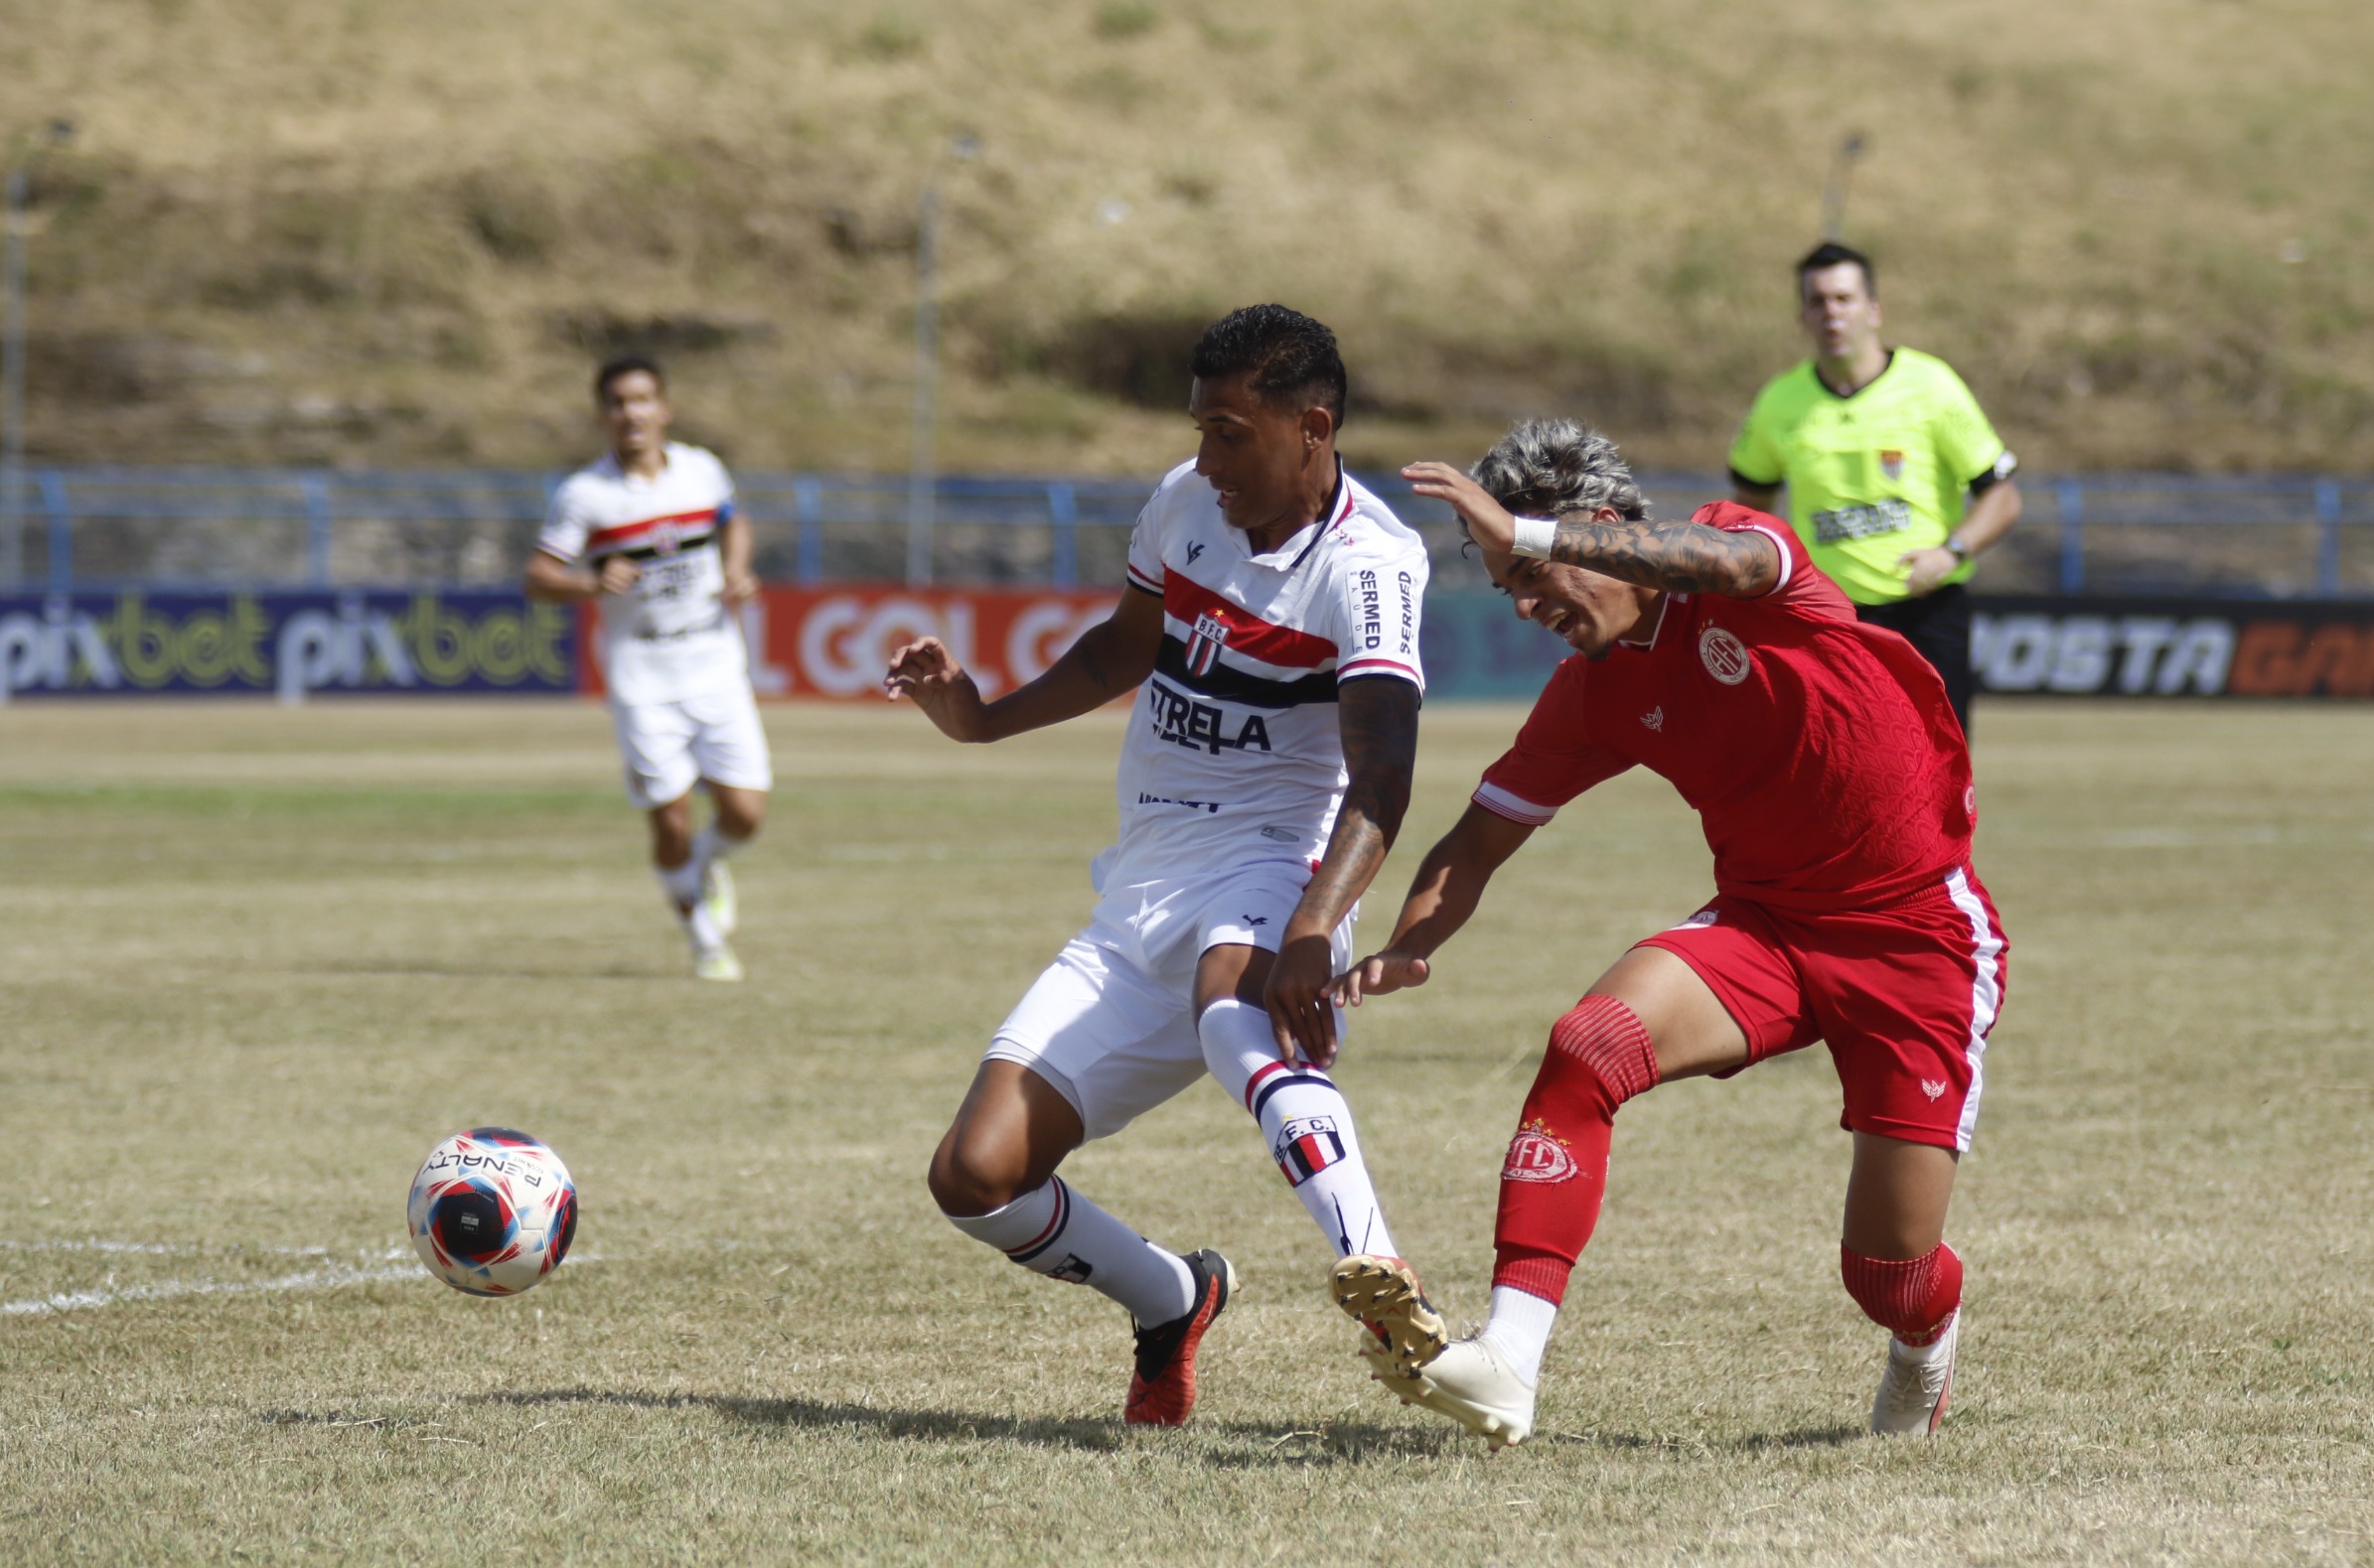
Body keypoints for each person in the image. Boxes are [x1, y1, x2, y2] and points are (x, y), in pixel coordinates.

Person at [1327, 419, 2007, 1447]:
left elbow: (1730, 556)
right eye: (1510, 581)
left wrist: (1529, 530)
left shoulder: (1740, 565)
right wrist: (1406, 941)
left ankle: (1925, 1334)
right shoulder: (1593, 694)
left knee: (1886, 1273)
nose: (1524, 603)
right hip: (1766, 927)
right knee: (1586, 1045)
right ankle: (1508, 1357)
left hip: (1915, 938)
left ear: (1597, 530)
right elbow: (1476, 840)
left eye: (1532, 570)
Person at [884, 305, 1435, 1426]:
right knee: (975, 1176)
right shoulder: (1187, 504)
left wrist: (1313, 928)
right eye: (1198, 428)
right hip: (1145, 880)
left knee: (1233, 1009)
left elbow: (1382, 778)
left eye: (1229, 433)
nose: (1203, 459)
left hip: (1279, 860)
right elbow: (1119, 650)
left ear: (1311, 426)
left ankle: (1381, 1274)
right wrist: (978, 719)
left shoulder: (1370, 563)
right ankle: (1173, 1298)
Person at [524, 354, 768, 982]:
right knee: (670, 814)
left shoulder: (701, 470)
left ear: (664, 409)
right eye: (617, 403)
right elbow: (539, 576)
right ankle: (704, 940)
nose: (631, 413)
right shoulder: (586, 494)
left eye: (641, 400)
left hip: (713, 657)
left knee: (745, 813)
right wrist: (591, 582)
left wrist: (737, 568)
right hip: (642, 673)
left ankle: (705, 864)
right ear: (603, 415)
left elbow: (732, 521)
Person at [1727, 241, 2021, 729]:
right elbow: (1749, 510)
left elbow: (2003, 496)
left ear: (1874, 310)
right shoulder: (1779, 402)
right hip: (1830, 619)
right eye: (1818, 302)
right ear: (1802, 317)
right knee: (1841, 767)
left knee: (1938, 770)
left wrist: (1951, 550)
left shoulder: (1931, 385)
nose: (1832, 313)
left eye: (1844, 299)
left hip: (1928, 613)